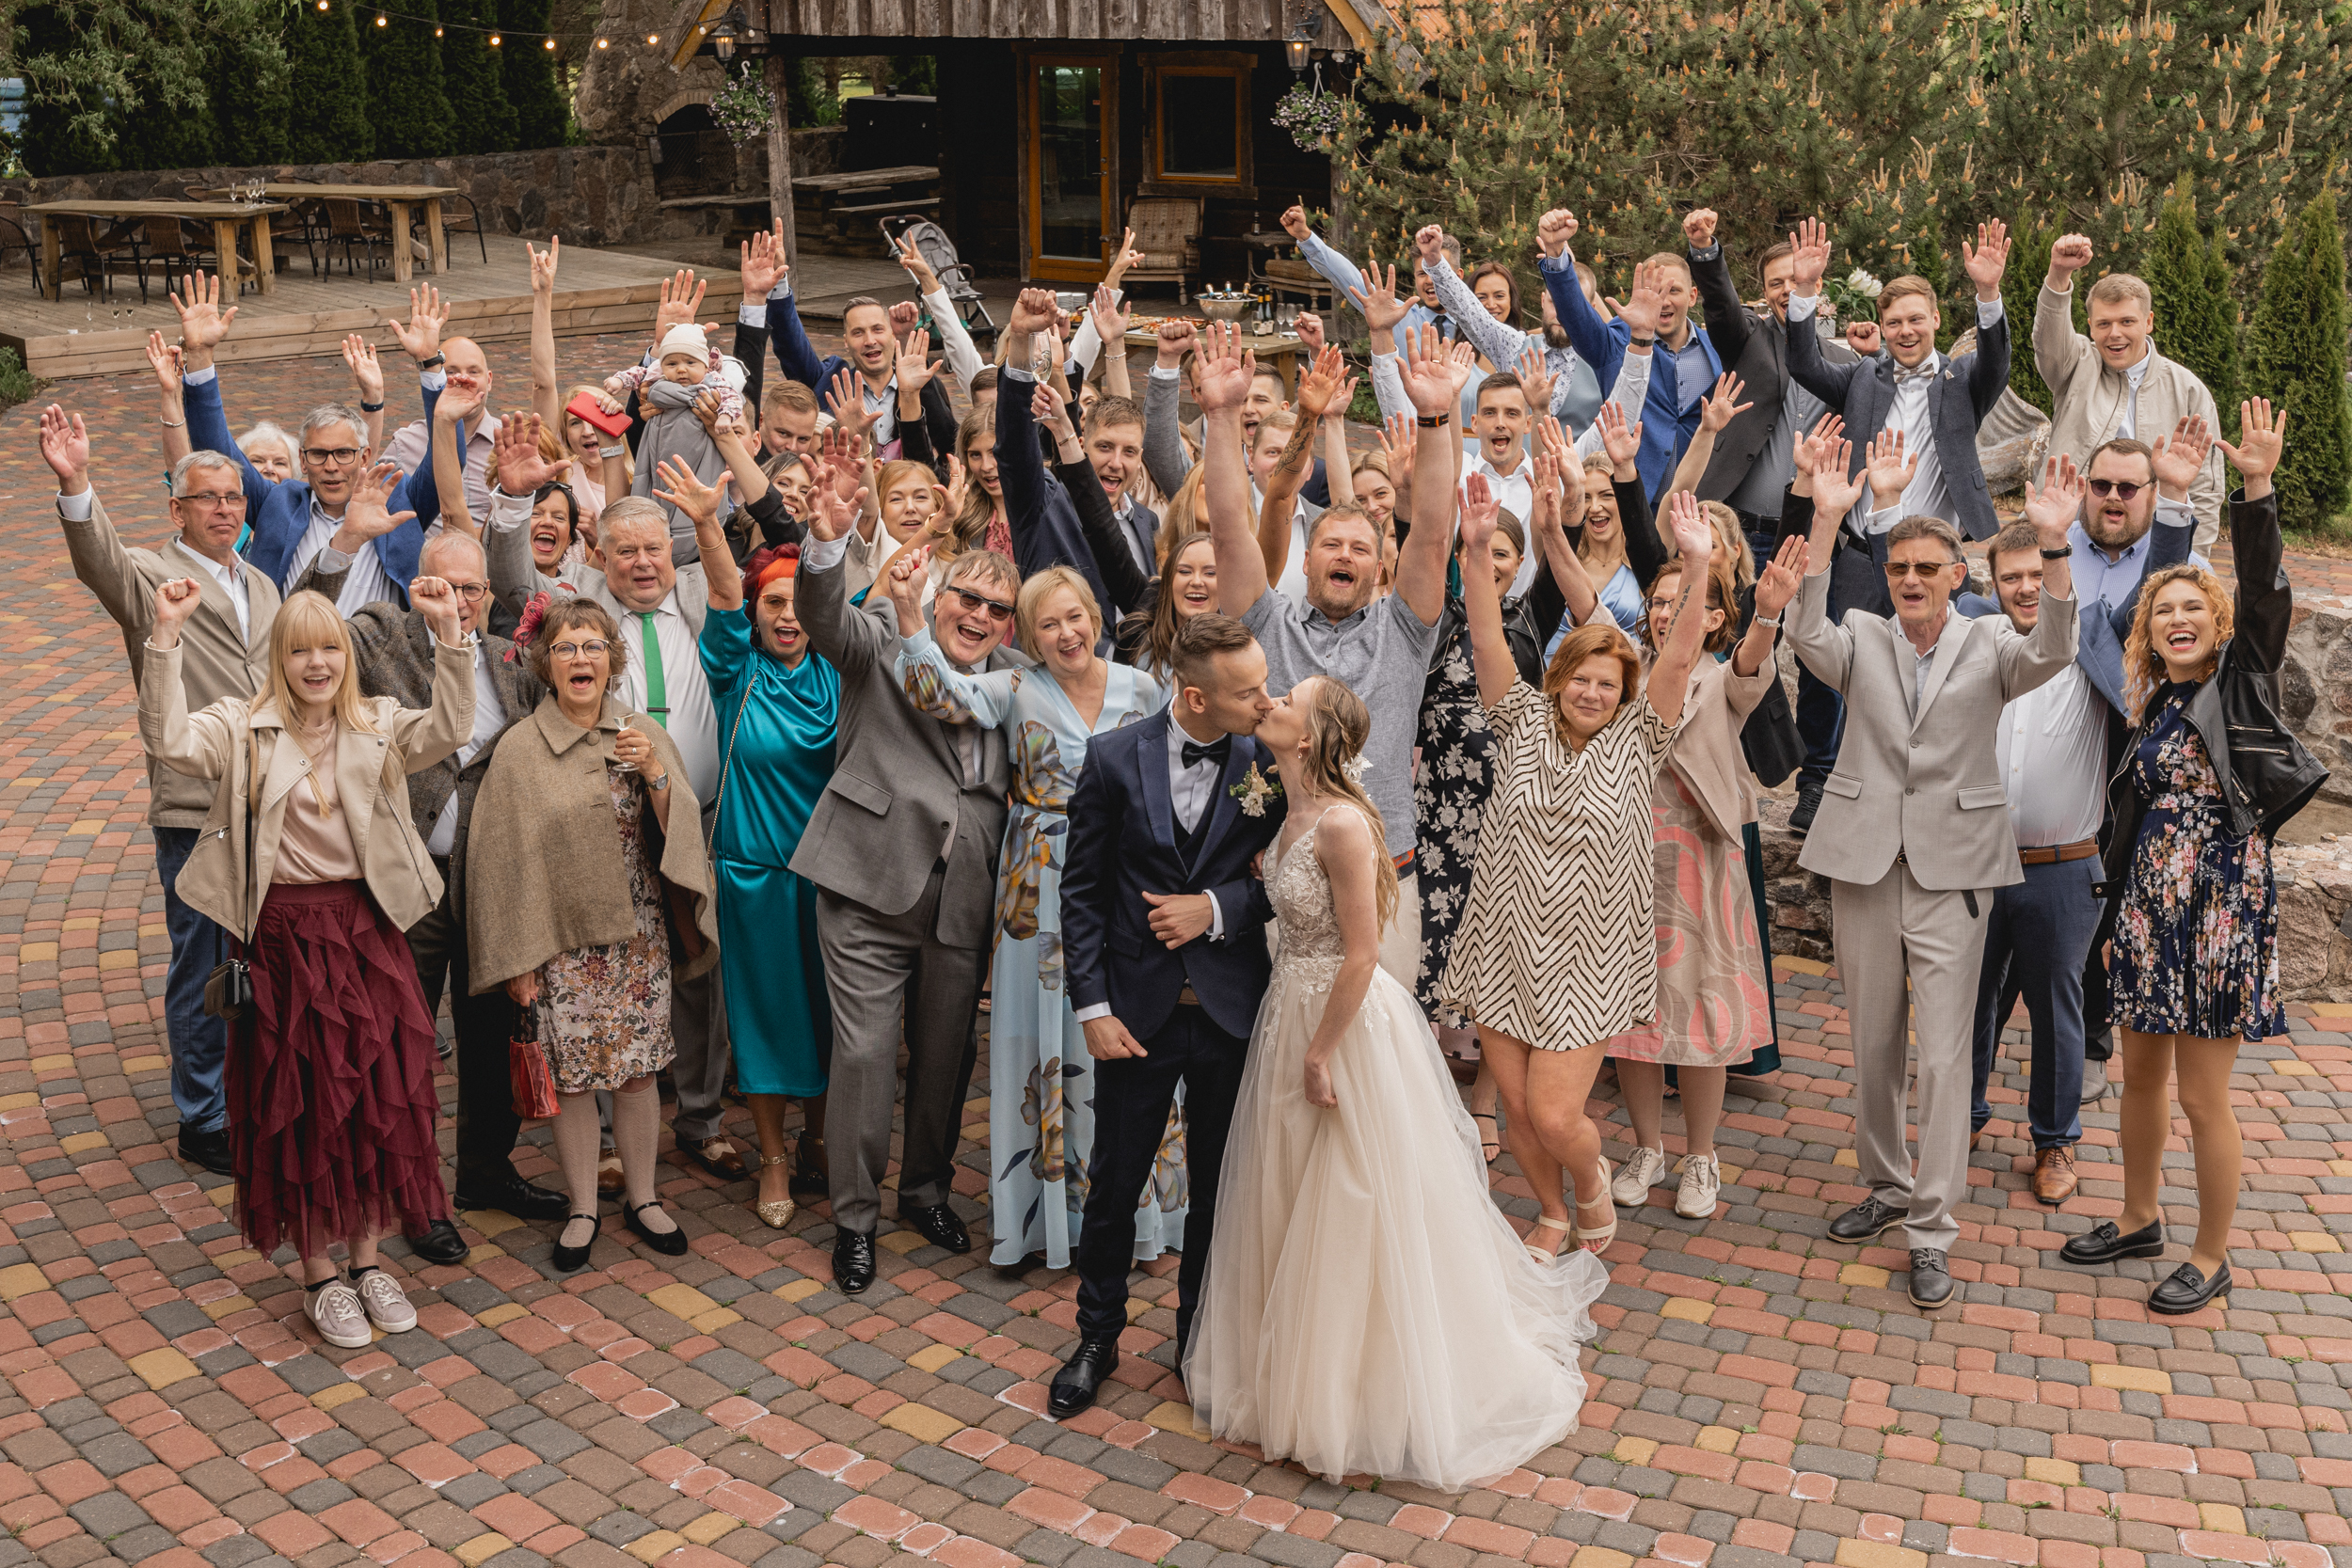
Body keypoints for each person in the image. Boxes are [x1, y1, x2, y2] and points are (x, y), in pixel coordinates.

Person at [1184, 675, 1609, 1489]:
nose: (1271, 701)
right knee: (1289, 1189)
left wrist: (1321, 1053)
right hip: (1288, 1012)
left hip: (1342, 1025)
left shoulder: (1343, 823)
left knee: (1353, 1194)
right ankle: (1289, 1368)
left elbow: (1363, 952)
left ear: (1312, 735)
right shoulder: (1289, 812)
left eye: (1288, 700)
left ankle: (1355, 1391)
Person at [137, 575, 474, 1349]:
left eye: (330, 648)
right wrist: (165, 638)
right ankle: (319, 1274)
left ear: (346, 657)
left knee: (377, 1093)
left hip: (365, 932)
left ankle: (368, 1261)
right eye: (300, 650)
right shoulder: (242, 727)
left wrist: (450, 633)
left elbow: (451, 725)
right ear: (278, 659)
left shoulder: (376, 723)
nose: (317, 663)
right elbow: (169, 740)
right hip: (284, 941)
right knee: (304, 1101)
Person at [1791, 437, 2078, 1310]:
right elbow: (1803, 633)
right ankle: (1886, 1183)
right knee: (1872, 1043)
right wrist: (1827, 517)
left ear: (1958, 575)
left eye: (1926, 568)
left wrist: (2055, 547)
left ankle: (1931, 1227)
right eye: (1899, 567)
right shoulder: (1863, 635)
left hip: (1954, 871)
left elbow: (2053, 650)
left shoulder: (1990, 639)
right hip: (1865, 864)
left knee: (1947, 1057)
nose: (1911, 579)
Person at [2059, 400, 2324, 1315]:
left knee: (2205, 1098)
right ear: (2149, 630)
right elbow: (2134, 827)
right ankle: (2139, 1216)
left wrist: (2256, 486)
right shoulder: (2153, 707)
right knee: (2138, 1075)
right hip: (2148, 911)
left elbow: (2266, 594)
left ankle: (2211, 1254)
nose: (2177, 618)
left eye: (2191, 608)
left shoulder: (2238, 683)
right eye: (2162, 609)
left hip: (2219, 913)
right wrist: (2115, 918)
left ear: (2215, 623)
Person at [1439, 483, 1716, 1263]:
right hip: (1503, 946)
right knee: (1519, 1113)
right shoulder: (1520, 717)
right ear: (1558, 678)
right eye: (1582, 677)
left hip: (1588, 959)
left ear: (1625, 692)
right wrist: (1474, 549)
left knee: (1557, 1114)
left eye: (1609, 682)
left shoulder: (1640, 737)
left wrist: (1697, 564)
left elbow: (1681, 653)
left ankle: (1590, 1181)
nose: (1594, 691)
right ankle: (1553, 1212)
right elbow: (1485, 636)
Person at [881, 552, 1174, 1269]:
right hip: (1037, 880)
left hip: (1124, 878)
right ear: (1030, 636)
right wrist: (910, 610)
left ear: (1095, 620)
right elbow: (935, 692)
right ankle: (1044, 1222)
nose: (1066, 633)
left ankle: (1128, 1210)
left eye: (1075, 617)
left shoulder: (1144, 689)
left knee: (1126, 1028)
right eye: (1048, 624)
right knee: (1041, 1036)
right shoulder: (1013, 687)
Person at [289, 520, 566, 1236]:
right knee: (401, 1039)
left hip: (493, 879)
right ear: (416, 586)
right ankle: (412, 1195)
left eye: (472, 588)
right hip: (408, 879)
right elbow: (301, 628)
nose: (459, 601)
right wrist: (343, 546)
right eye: (443, 586)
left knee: (492, 1033)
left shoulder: (510, 660)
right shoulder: (381, 637)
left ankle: (485, 1171)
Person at [791, 458, 1021, 1294]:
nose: (980, 616)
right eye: (968, 599)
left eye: (997, 608)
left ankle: (924, 1191)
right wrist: (824, 547)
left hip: (963, 896)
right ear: (938, 591)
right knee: (862, 1053)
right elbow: (823, 620)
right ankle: (855, 1219)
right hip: (867, 877)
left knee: (946, 1056)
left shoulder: (1015, 679)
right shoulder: (882, 636)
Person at [1047, 613, 1286, 1416]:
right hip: (1134, 1016)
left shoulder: (1269, 762)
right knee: (1114, 1184)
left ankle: (1195, 1339)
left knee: (1219, 1188)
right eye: (1249, 691)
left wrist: (1214, 908)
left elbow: (1292, 876)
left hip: (1230, 1015)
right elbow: (1081, 891)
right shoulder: (1113, 758)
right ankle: (1096, 1336)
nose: (1266, 700)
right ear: (1194, 696)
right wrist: (1092, 1006)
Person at [485, 469, 748, 1184]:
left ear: (672, 552)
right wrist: (512, 504)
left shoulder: (694, 598)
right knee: (599, 974)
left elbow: (731, 594)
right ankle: (602, 1139)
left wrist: (708, 522)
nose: (641, 563)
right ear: (599, 556)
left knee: (698, 967)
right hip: (609, 829)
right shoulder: (581, 611)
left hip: (695, 816)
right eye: (624, 550)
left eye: (653, 548)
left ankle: (701, 1120)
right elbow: (511, 582)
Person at [48, 414, 282, 1177]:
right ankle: (202, 1114)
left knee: (263, 954)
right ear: (176, 508)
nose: (224, 509)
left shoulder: (260, 583)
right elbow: (100, 562)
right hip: (195, 803)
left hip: (268, 800)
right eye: (207, 497)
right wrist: (77, 481)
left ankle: (254, 1090)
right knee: (203, 960)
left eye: (234, 497)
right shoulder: (152, 575)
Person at [1968, 436, 2201, 1199]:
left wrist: (2173, 501)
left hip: (2063, 866)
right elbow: (1905, 580)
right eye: (2013, 577)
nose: (2027, 587)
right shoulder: (1973, 638)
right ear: (1994, 584)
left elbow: (2157, 586)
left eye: (2040, 572)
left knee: (2058, 1011)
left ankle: (2055, 1144)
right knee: (1966, 1005)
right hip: (1973, 861)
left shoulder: (2095, 634)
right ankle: (1958, 1121)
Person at [465, 597, 720, 1271]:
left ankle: (644, 1197)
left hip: (637, 938)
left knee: (638, 1076)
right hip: (560, 944)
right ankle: (582, 1207)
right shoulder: (520, 750)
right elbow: (500, 861)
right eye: (566, 648)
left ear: (613, 658)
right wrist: (517, 959)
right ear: (546, 664)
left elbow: (679, 834)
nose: (581, 658)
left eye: (593, 646)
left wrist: (655, 772)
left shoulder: (640, 733)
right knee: (574, 1081)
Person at [1207, 323, 1449, 987]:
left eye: (1360, 547)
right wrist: (1221, 415)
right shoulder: (1267, 622)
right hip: (1287, 884)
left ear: (1380, 566)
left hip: (1385, 874)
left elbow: (1433, 535)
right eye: (1331, 545)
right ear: (1306, 560)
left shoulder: (1404, 630)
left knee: (1383, 1040)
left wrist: (1435, 418)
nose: (1345, 554)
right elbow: (1228, 533)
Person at [1777, 215, 2016, 835]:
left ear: (1936, 319)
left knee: (1932, 676)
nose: (1905, 331)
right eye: (1894, 323)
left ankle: (1921, 789)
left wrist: (1988, 292)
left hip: (1935, 562)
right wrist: (1804, 291)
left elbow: (1997, 357)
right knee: (1829, 669)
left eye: (1916, 319)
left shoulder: (1964, 381)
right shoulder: (1863, 377)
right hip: (1864, 554)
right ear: (1881, 330)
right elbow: (1802, 362)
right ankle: (1818, 782)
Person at [1604, 534, 1799, 1221]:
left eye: (1683, 600)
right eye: (1659, 601)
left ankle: (1701, 1155)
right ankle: (1646, 1148)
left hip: (1700, 860)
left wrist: (1768, 612)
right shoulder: (1623, 671)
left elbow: (1754, 660)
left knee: (1701, 1012)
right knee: (1632, 1015)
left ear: (1715, 616)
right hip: (1627, 865)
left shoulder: (1723, 675)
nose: (1667, 612)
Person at [700, 544, 837, 1226]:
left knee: (830, 1016)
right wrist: (706, 522)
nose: (787, 616)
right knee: (765, 1020)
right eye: (773, 602)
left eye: (798, 602)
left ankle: (820, 1139)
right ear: (754, 612)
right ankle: (774, 1156)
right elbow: (724, 593)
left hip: (829, 878)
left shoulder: (837, 672)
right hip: (753, 876)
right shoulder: (737, 671)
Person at [170, 276, 450, 611]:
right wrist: (200, 356)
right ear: (302, 461)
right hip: (291, 643)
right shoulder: (278, 503)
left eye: (343, 453)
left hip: (380, 645)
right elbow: (216, 453)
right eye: (318, 454)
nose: (331, 466)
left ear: (365, 457)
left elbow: (447, 460)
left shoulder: (399, 501)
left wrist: (430, 365)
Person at [2036, 235, 2226, 551]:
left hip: (2151, 544)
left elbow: (2205, 488)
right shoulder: (2076, 364)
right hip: (2067, 535)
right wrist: (2058, 274)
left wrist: (2193, 559)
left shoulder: (2188, 390)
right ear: (2090, 326)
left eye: (2127, 321)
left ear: (2148, 322)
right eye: (2104, 324)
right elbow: (2049, 342)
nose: (2115, 334)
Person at [1535, 209, 1721, 501]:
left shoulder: (1715, 350)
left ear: (1693, 296)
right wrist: (1556, 255)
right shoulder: (1617, 341)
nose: (1663, 300)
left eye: (1673, 290)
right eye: (1654, 290)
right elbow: (1576, 317)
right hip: (1630, 500)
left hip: (1696, 503)